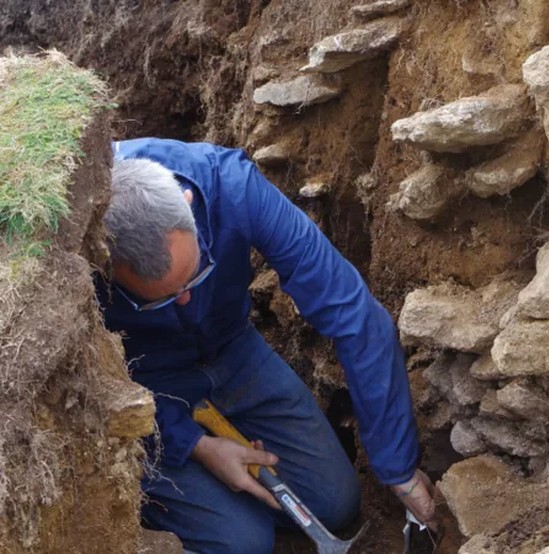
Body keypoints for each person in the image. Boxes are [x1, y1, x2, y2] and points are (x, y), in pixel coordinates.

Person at [95, 138, 437, 554]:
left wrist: (397, 467)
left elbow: (355, 316)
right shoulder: (78, 251)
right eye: (162, 298)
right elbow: (90, 390)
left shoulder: (230, 186)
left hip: (233, 349)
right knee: (242, 544)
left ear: (187, 203)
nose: (185, 299)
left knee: (334, 501)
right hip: (146, 384)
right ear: (105, 261)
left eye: (194, 276)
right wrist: (196, 446)